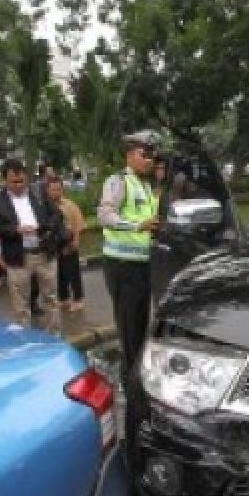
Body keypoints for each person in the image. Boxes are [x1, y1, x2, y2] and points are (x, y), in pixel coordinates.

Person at [99, 130, 160, 379]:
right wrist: (137, 226)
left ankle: (137, 377)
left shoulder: (146, 185)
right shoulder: (119, 181)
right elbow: (105, 216)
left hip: (142, 265)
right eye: (145, 154)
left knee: (140, 324)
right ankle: (131, 386)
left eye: (152, 155)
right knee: (129, 330)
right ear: (130, 154)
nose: (150, 160)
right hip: (123, 266)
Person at [0, 159, 71, 333]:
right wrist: (16, 229)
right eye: (14, 182)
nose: (19, 185)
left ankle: (54, 336)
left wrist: (42, 227)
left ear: (27, 178)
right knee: (20, 302)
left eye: (22, 181)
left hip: (44, 252)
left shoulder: (39, 193)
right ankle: (24, 339)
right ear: (5, 181)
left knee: (51, 297)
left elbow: (57, 216)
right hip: (18, 256)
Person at [46, 178, 86, 312]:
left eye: (58, 189)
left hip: (69, 243)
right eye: (53, 189)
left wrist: (76, 241)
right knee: (60, 273)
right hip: (54, 245)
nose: (56, 192)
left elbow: (78, 224)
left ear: (62, 189)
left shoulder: (70, 205)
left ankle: (78, 299)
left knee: (73, 273)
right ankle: (64, 299)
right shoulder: (45, 206)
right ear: (48, 190)